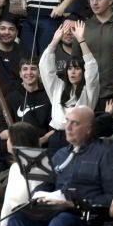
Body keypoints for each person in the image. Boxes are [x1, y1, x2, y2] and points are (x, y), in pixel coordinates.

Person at [5, 105, 113, 226]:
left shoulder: (104, 154)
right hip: (53, 209)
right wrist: (38, 195)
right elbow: (47, 184)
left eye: (75, 123)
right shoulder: (60, 154)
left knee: (60, 222)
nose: (68, 127)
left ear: (89, 129)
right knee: (17, 218)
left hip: (82, 214)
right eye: (67, 121)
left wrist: (74, 203)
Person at [40, 20, 99, 151]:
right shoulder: (58, 87)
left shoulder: (88, 90)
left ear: (83, 72)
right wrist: (55, 40)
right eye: (70, 68)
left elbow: (92, 69)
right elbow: (44, 67)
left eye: (77, 69)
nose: (73, 72)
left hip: (80, 137)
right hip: (58, 137)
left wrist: (81, 40)